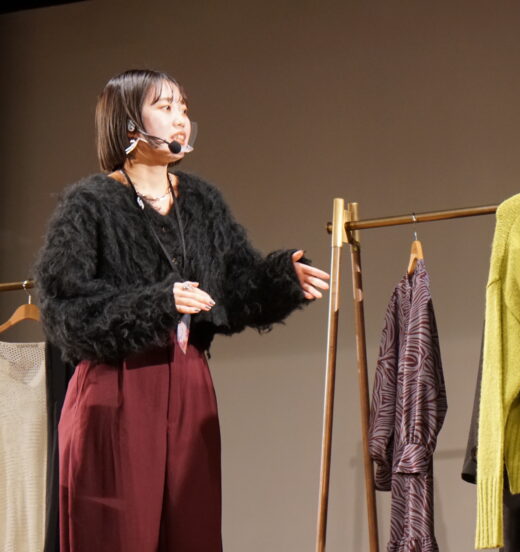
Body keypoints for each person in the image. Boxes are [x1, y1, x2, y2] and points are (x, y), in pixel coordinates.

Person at [34, 69, 330, 552]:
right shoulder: (89, 205)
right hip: (117, 386)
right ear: (129, 123)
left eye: (184, 109)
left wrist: (282, 278)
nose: (181, 120)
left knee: (193, 532)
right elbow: (65, 311)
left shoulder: (201, 202)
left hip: (190, 382)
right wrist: (159, 302)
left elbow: (235, 287)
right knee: (118, 535)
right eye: (165, 107)